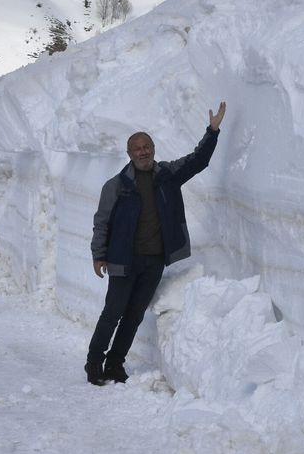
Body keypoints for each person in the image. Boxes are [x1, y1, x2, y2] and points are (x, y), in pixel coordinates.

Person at [86, 102, 227, 385]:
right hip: (123, 261)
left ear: (153, 149)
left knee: (135, 315)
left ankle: (115, 364)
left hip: (154, 260)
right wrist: (98, 255)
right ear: (129, 154)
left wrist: (212, 131)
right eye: (138, 148)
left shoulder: (167, 175)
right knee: (112, 313)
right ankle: (94, 363)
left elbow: (198, 161)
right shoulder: (116, 185)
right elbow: (102, 222)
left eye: (147, 146)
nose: (144, 151)